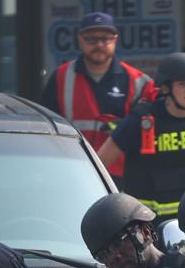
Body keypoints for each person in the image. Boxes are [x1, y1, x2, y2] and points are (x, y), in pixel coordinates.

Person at [97, 52, 185, 220]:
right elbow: (99, 164)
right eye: (183, 84)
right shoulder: (138, 122)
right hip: (142, 223)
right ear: (165, 88)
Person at [40, 12, 157, 183]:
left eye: (105, 39)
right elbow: (46, 130)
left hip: (122, 178)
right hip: (74, 173)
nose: (99, 44)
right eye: (91, 39)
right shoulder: (61, 77)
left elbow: (150, 135)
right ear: (80, 40)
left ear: (115, 40)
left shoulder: (139, 81)